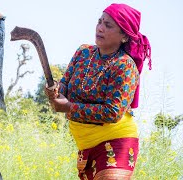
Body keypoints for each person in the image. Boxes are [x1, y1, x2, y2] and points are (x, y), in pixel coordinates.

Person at [44, 3, 151, 180]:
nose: (100, 28)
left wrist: (69, 107)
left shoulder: (125, 66)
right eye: (99, 21)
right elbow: (65, 84)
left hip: (117, 141)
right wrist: (54, 90)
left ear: (124, 36)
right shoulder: (83, 52)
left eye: (108, 25)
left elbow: (113, 112)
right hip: (85, 143)